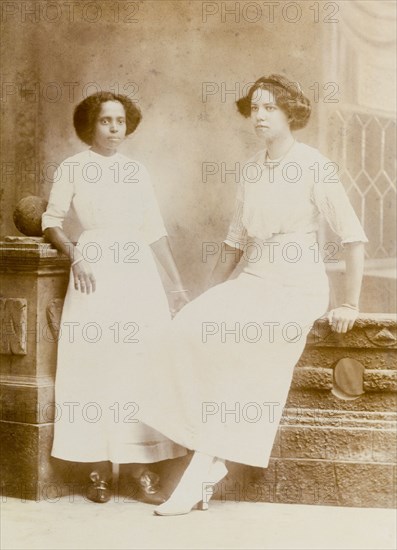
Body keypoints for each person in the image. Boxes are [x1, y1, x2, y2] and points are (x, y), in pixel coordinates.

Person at [134, 74, 368, 515]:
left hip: (297, 285)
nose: (259, 116)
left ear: (290, 113)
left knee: (243, 348)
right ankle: (208, 458)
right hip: (254, 278)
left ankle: (202, 469)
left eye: (270, 108)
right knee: (186, 330)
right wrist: (206, 298)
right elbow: (234, 243)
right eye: (255, 108)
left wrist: (349, 302)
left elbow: (353, 238)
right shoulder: (250, 168)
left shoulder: (314, 165)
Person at [41, 91, 189, 503]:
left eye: (121, 121)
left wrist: (175, 286)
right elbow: (50, 222)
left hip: (136, 272)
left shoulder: (136, 171)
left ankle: (139, 468)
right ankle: (98, 467)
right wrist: (76, 257)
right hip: (94, 271)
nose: (114, 129)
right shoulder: (73, 167)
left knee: (141, 363)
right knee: (95, 364)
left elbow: (154, 230)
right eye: (106, 121)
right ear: (91, 125)